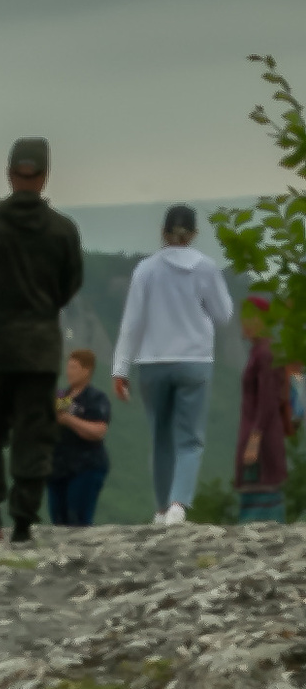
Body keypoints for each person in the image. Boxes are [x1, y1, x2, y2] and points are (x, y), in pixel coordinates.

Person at [0, 137, 84, 544]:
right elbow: (69, 285)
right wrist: (40, 312)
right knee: (34, 431)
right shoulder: (62, 231)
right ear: (44, 176)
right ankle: (24, 521)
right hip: (39, 348)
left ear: (10, 174)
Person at [112, 206, 234, 524]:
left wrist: (120, 368)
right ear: (193, 234)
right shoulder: (206, 268)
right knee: (190, 437)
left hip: (153, 361)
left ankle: (161, 507)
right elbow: (223, 315)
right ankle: (179, 503)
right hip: (194, 360)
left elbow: (132, 322)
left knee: (161, 435)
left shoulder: (146, 270)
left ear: (163, 233)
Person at [236, 295, 291, 524]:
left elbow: (268, 400)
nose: (243, 324)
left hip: (262, 435)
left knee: (263, 492)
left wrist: (255, 438)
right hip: (254, 432)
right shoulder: (257, 352)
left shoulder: (266, 353)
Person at [46, 347, 112, 526]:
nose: (69, 372)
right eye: (68, 367)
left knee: (78, 520)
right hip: (58, 466)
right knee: (58, 520)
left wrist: (69, 420)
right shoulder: (62, 397)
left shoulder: (96, 398)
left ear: (87, 370)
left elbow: (98, 431)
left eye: (74, 367)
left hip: (86, 466)